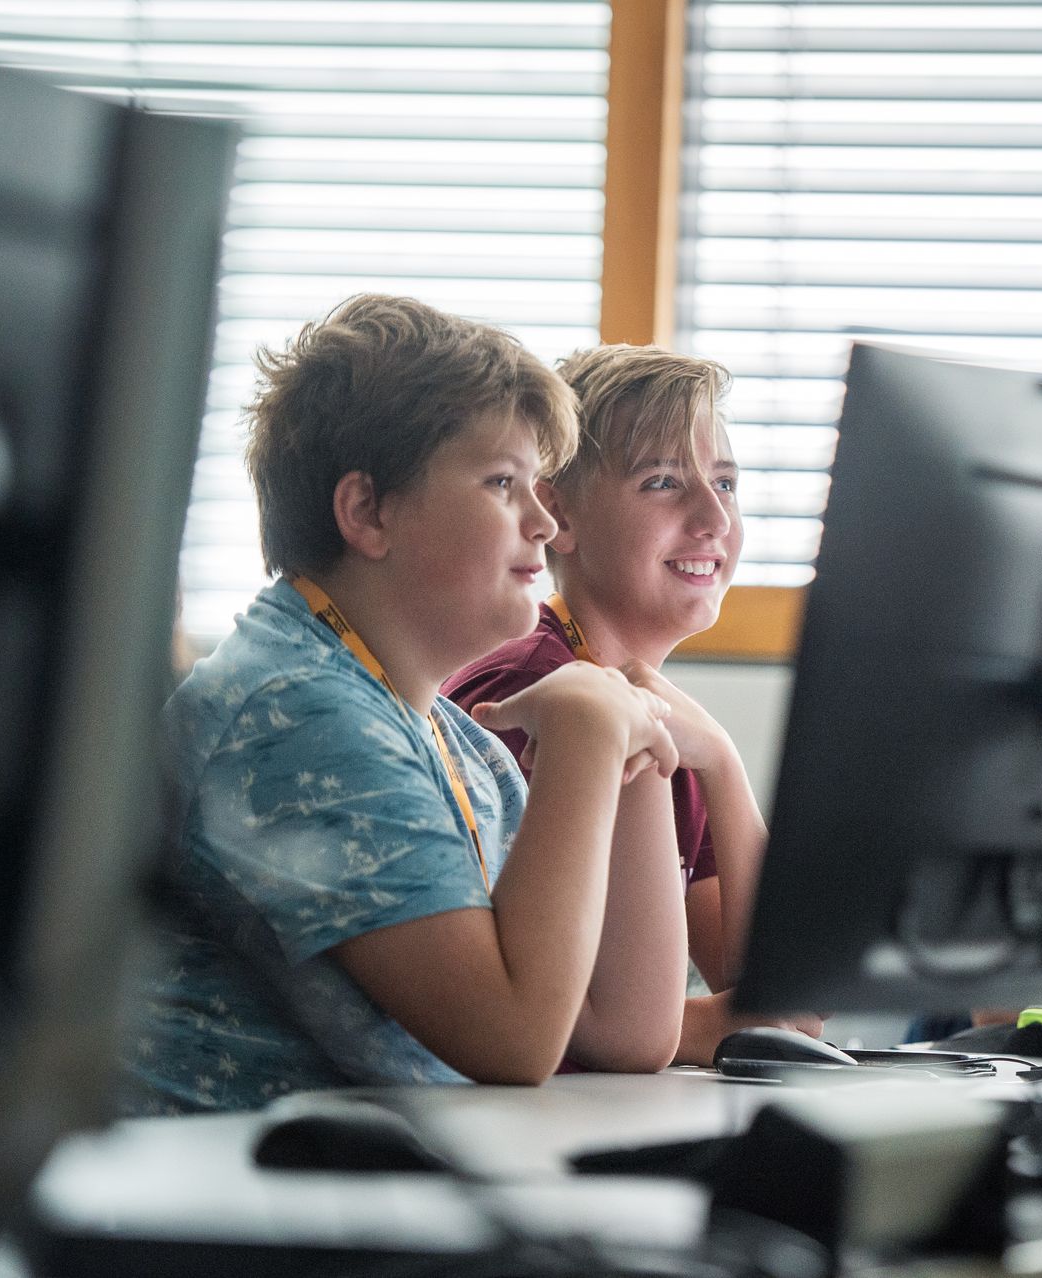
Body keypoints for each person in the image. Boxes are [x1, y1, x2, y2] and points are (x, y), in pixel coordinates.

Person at [125, 296, 681, 1114]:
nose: (544, 522)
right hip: (227, 1203)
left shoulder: (454, 740)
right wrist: (588, 740)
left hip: (357, 1183)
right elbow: (514, 1039)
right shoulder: (297, 712)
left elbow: (626, 1030)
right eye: (502, 483)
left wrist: (633, 750)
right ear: (368, 512)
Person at [446, 344, 819, 1067]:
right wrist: (722, 1024)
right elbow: (576, 1024)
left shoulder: (671, 723)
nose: (713, 517)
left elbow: (789, 1005)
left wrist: (723, 764)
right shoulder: (526, 693)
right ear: (558, 514)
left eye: (726, 483)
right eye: (663, 482)